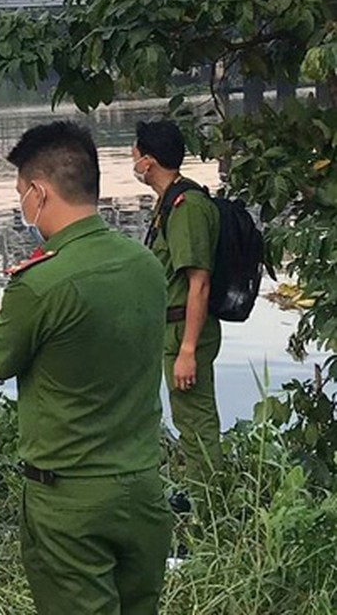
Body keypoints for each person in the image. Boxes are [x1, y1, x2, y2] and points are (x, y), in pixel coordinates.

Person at [0, 121, 171, 615]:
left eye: (21, 193)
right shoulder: (142, 264)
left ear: (39, 192)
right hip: (143, 490)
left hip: (70, 501)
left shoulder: (41, 279)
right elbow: (84, 325)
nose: (22, 205)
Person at [133, 119, 224, 484]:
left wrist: (187, 350)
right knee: (188, 420)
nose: (134, 162)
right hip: (171, 330)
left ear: (149, 162)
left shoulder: (186, 207)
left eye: (136, 155)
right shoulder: (169, 202)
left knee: (196, 422)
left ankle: (212, 512)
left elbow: (198, 283)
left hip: (185, 332)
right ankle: (202, 499)